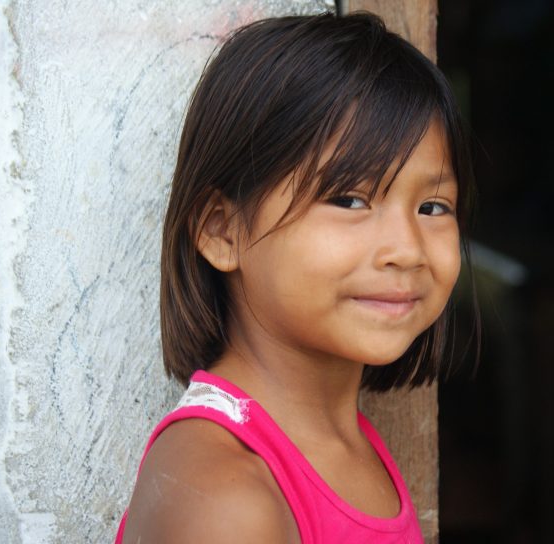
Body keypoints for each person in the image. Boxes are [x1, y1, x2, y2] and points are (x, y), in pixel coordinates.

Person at [116, 11, 474, 543]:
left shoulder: (349, 446)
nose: (406, 249)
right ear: (222, 230)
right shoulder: (226, 496)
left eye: (433, 206)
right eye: (349, 199)